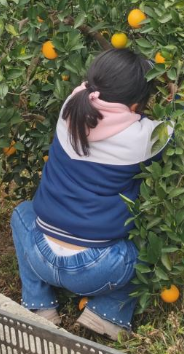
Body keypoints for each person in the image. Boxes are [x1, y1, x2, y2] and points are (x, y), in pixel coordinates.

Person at [11, 49, 172, 339]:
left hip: (40, 255)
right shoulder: (144, 137)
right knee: (154, 241)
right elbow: (183, 123)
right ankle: (108, 313)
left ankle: (39, 303)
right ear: (135, 104)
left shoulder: (69, 109)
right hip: (98, 268)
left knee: (22, 213)